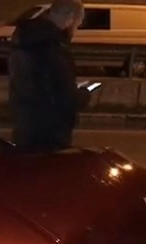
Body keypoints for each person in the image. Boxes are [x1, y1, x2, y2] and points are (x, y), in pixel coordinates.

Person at [8, 0, 92, 152]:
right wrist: (84, 93)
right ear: (70, 18)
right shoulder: (54, 48)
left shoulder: (25, 39)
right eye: (78, 24)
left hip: (24, 125)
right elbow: (66, 98)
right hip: (50, 133)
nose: (76, 29)